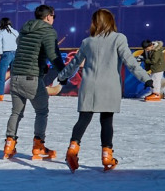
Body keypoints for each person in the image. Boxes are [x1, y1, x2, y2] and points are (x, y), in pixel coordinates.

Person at [58, 9, 153, 172]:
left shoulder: (87, 41)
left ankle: (72, 149)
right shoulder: (119, 38)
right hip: (109, 86)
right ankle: (107, 156)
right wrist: (145, 78)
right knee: (106, 120)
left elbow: (74, 63)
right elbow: (130, 61)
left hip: (89, 85)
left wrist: (62, 76)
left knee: (84, 118)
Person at [3, 4, 66, 160]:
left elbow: (26, 48)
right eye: (53, 16)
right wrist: (64, 74)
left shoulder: (25, 29)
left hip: (16, 76)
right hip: (31, 77)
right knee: (42, 111)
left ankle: (9, 145)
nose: (53, 19)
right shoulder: (48, 31)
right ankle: (38, 146)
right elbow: (54, 55)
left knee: (16, 112)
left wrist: (42, 64)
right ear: (48, 16)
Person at [0, 17, 19, 101]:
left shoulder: (1, 32)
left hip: (6, 54)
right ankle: (17, 95)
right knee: (15, 76)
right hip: (16, 53)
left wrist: (1, 53)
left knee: (2, 74)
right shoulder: (15, 32)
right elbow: (19, 41)